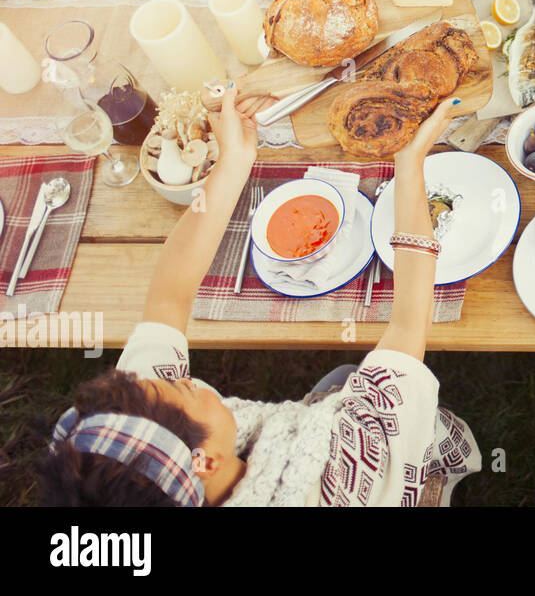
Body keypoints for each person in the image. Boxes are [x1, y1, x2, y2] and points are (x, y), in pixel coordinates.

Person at [38, 89, 481, 506]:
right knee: (381, 399)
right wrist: (409, 165)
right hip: (389, 475)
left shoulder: (131, 447)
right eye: (182, 387)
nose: (185, 379)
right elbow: (406, 325)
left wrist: (233, 162)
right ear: (205, 461)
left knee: (345, 376)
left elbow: (168, 297)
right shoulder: (347, 473)